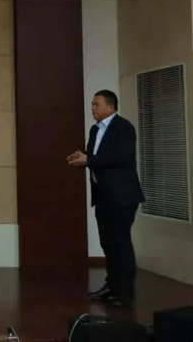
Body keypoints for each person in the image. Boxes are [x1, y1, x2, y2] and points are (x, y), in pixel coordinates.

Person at [67, 90, 144, 308]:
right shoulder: (95, 129)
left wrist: (89, 160)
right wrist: (81, 159)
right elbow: (95, 158)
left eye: (97, 104)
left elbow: (121, 157)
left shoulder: (123, 127)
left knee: (120, 243)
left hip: (122, 196)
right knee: (108, 243)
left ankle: (125, 293)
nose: (92, 108)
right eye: (92, 104)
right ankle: (112, 286)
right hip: (103, 196)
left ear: (110, 107)